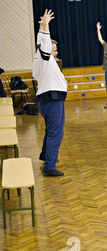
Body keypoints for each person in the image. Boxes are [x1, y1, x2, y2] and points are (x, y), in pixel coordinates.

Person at [32, 9, 67, 177]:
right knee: (56, 132)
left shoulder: (39, 59)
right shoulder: (44, 57)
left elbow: (41, 42)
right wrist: (45, 25)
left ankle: (46, 156)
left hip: (47, 98)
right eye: (54, 50)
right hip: (52, 98)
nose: (56, 52)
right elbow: (44, 43)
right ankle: (50, 167)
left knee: (50, 131)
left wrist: (41, 28)